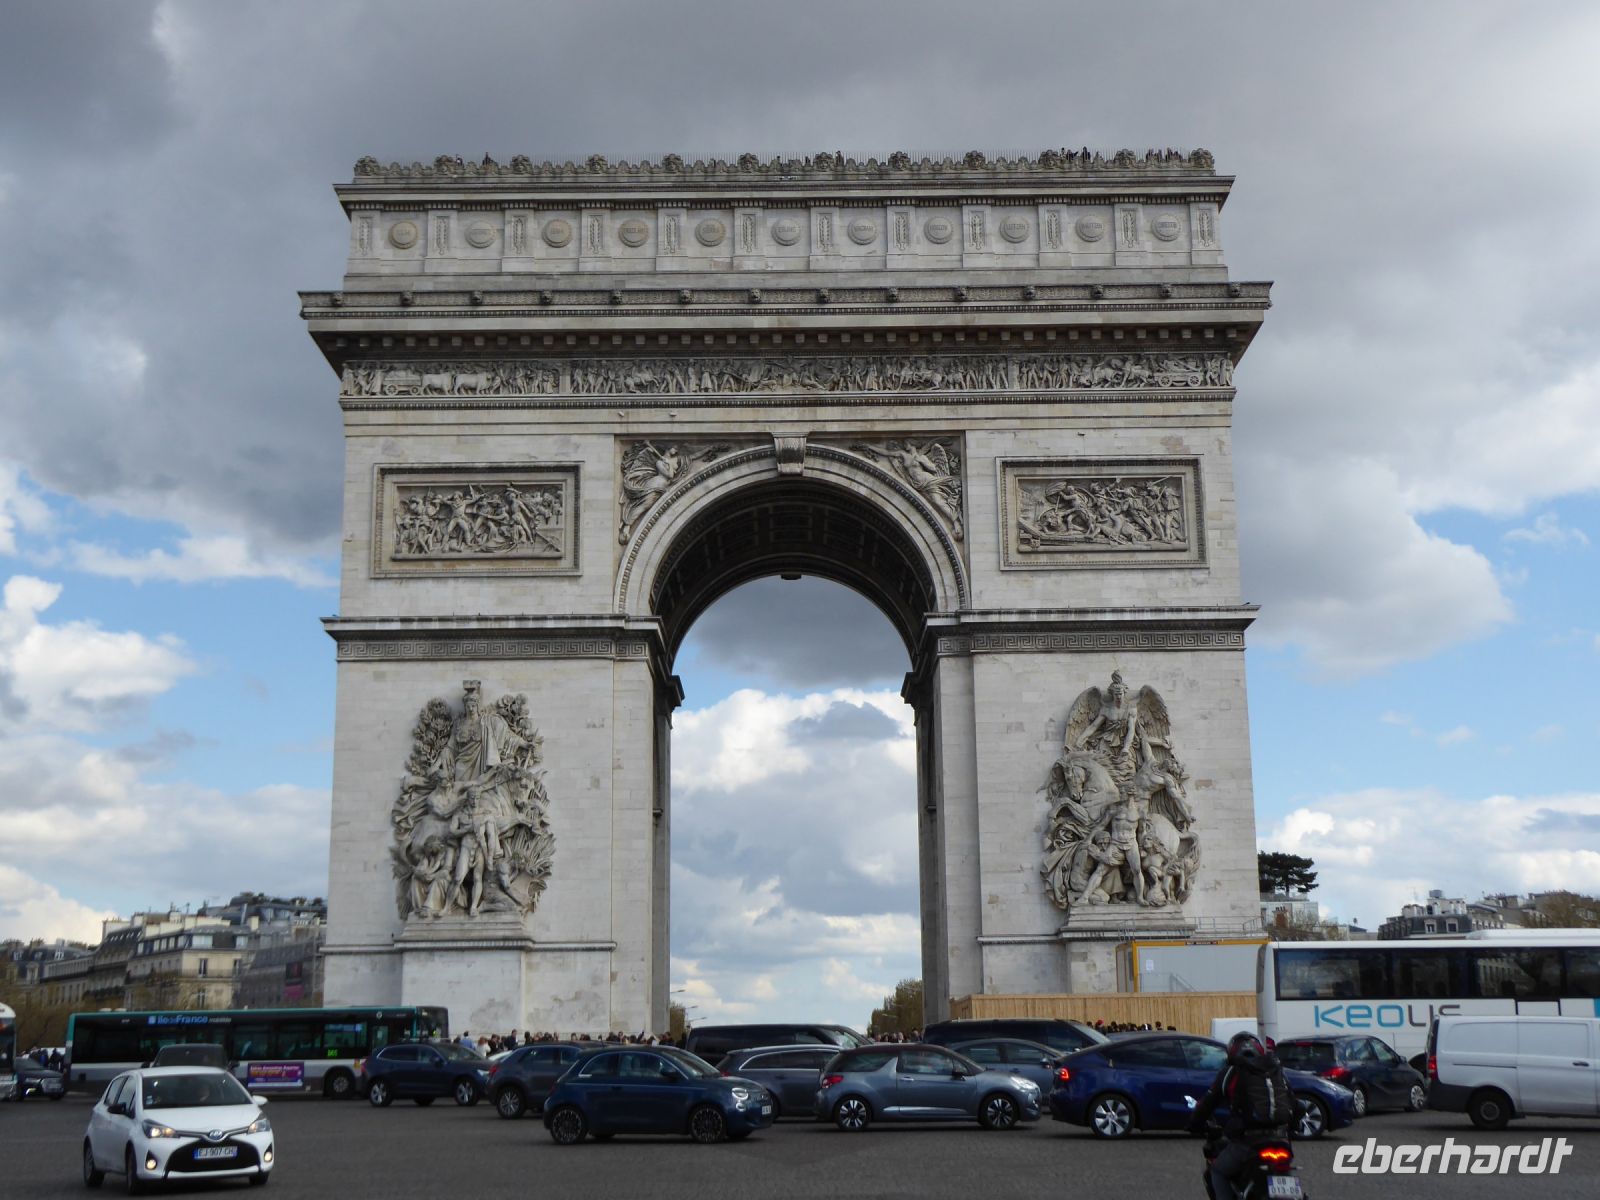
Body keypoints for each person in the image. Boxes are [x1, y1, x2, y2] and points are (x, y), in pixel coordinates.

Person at [1189, 1032, 1293, 1200]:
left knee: (1218, 1171)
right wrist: (1290, 1128)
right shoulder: (1275, 1071)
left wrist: (1195, 1123)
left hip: (1248, 1141)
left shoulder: (1231, 1073)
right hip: (1281, 1140)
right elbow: (1295, 1105)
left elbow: (1208, 1102)